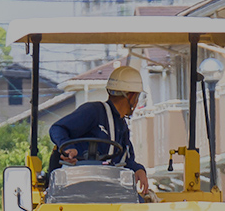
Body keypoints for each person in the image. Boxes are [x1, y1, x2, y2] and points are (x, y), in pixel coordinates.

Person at [48, 66, 149, 195]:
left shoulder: (121, 126)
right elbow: (57, 128)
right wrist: (68, 148)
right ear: (131, 96)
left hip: (107, 187)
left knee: (137, 201)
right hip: (77, 185)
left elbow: (126, 160)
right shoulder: (94, 111)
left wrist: (138, 169)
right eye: (137, 97)